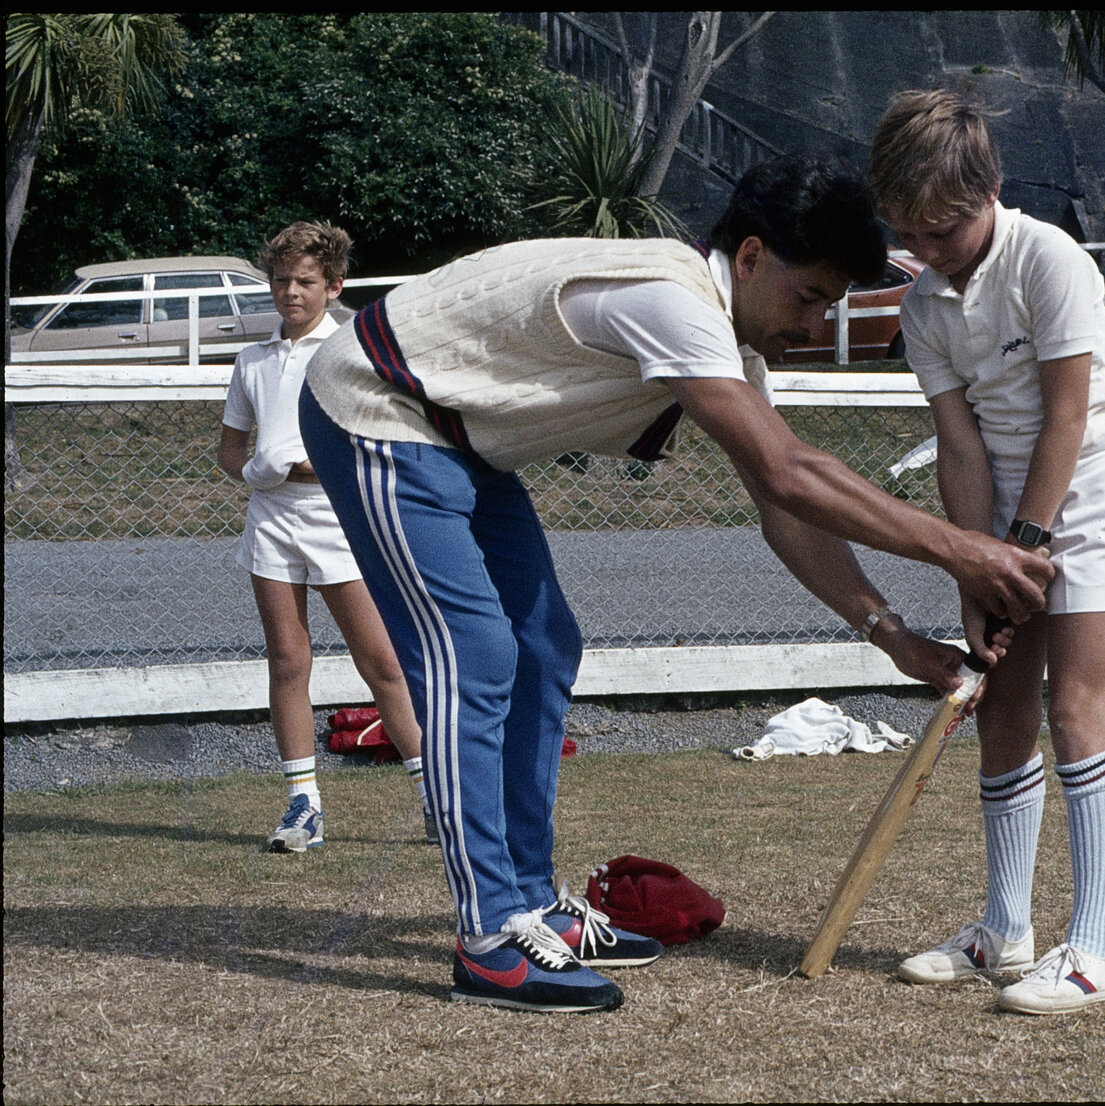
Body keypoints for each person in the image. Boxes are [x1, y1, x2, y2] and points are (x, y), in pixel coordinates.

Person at [296, 154, 1055, 1015]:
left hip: (460, 436)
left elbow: (789, 511)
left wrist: (895, 636)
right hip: (376, 404)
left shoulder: (721, 340)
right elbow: (790, 472)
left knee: (543, 646)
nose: (812, 325)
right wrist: (968, 553)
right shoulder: (672, 300)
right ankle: (490, 937)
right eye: (809, 298)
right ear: (753, 257)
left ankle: (534, 900)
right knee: (475, 655)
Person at [867, 90, 1105, 1015]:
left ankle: (1101, 948)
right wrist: (975, 566)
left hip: (1091, 486)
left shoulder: (1049, 259)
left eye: (943, 228)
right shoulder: (922, 306)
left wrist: (1024, 545)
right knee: (1002, 713)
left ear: (989, 189)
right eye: (911, 232)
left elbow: (1067, 414)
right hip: (1000, 515)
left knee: (1075, 706)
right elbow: (960, 444)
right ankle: (1002, 931)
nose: (930, 248)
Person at [217, 221, 430, 853]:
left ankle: (433, 798)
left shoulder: (349, 349)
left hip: (340, 520)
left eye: (306, 282)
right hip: (272, 523)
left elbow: (381, 436)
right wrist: (254, 468)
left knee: (383, 663)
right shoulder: (252, 359)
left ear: (333, 285)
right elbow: (229, 450)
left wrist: (319, 466)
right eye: (281, 280)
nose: (291, 292)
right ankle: (302, 805)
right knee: (288, 661)